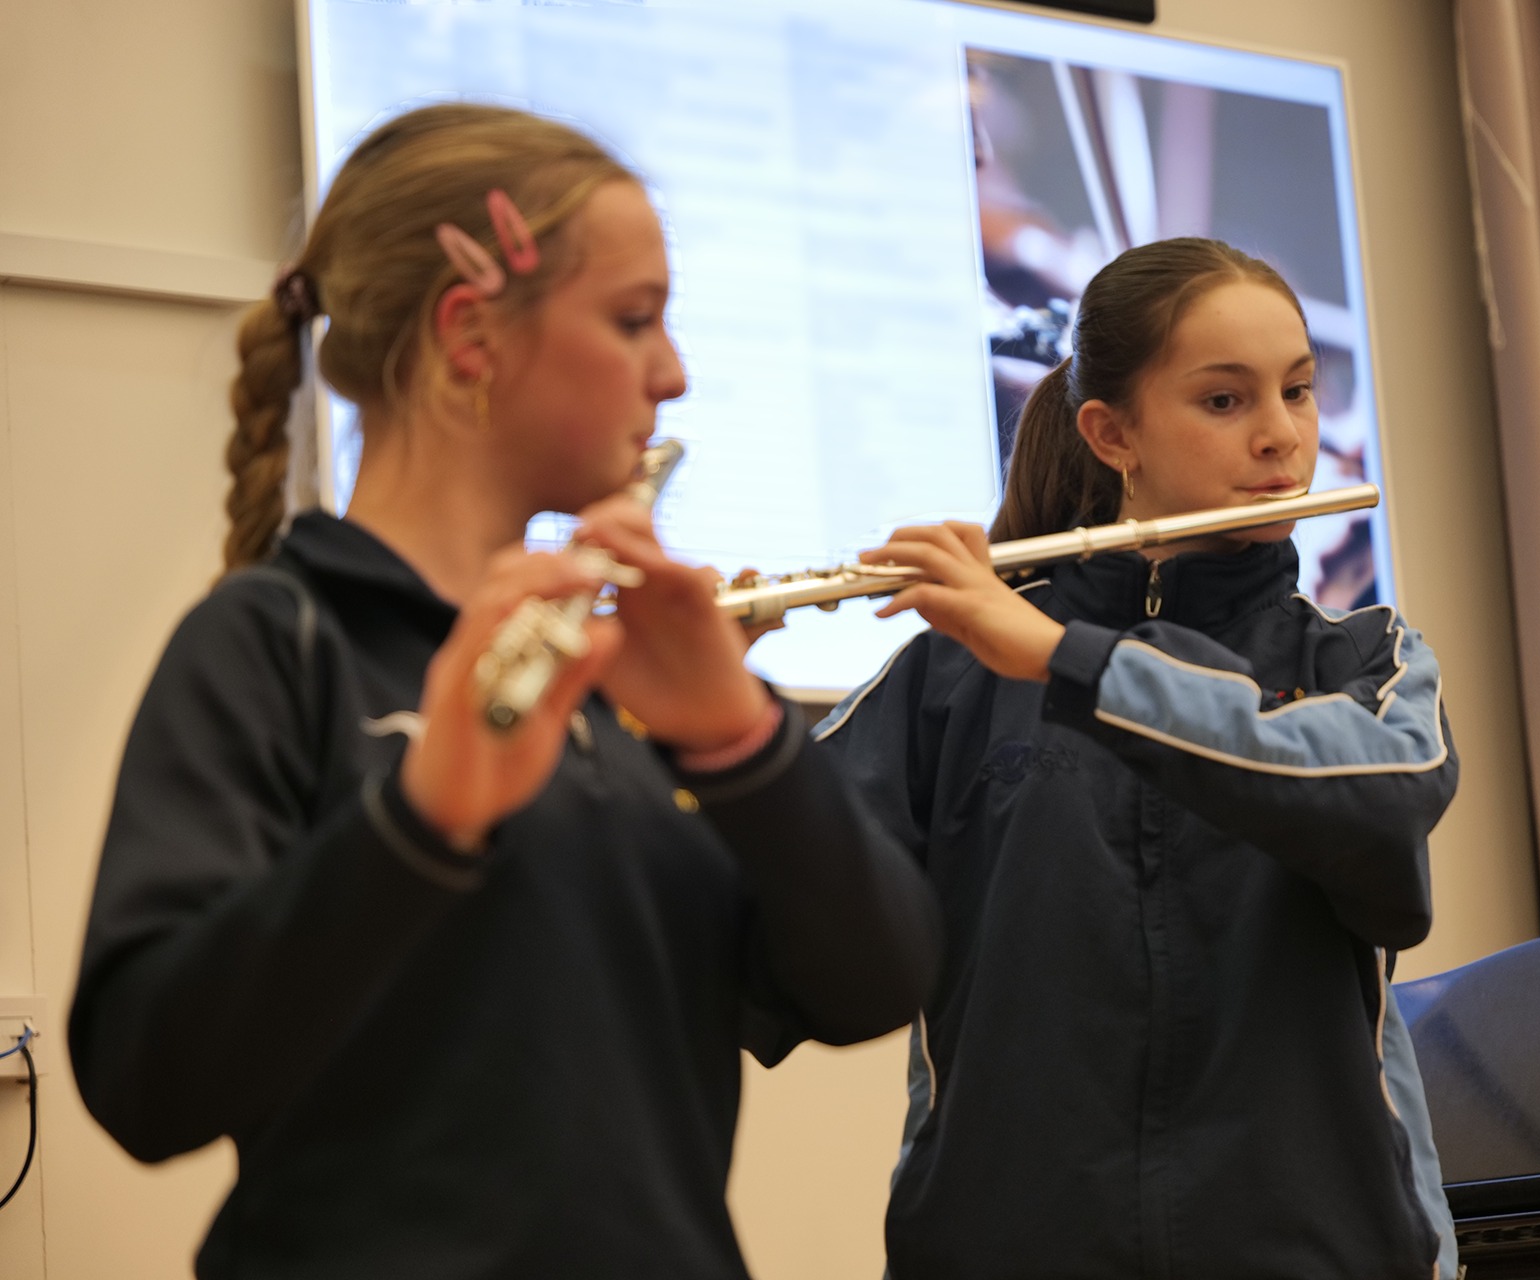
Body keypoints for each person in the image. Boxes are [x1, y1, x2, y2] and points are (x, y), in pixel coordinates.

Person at [69, 103, 939, 1280]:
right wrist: (419, 820)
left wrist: (744, 740)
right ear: (471, 334)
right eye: (632, 319)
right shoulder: (277, 640)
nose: (673, 374)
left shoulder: (626, 672)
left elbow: (872, 984)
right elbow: (145, 1078)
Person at [815, 238, 1462, 1279]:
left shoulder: (1361, 657)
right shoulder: (951, 674)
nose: (1282, 435)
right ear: (1113, 434)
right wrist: (706, 712)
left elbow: (1384, 796)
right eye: (1225, 400)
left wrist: (1070, 661)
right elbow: (766, 898)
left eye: (1297, 391)